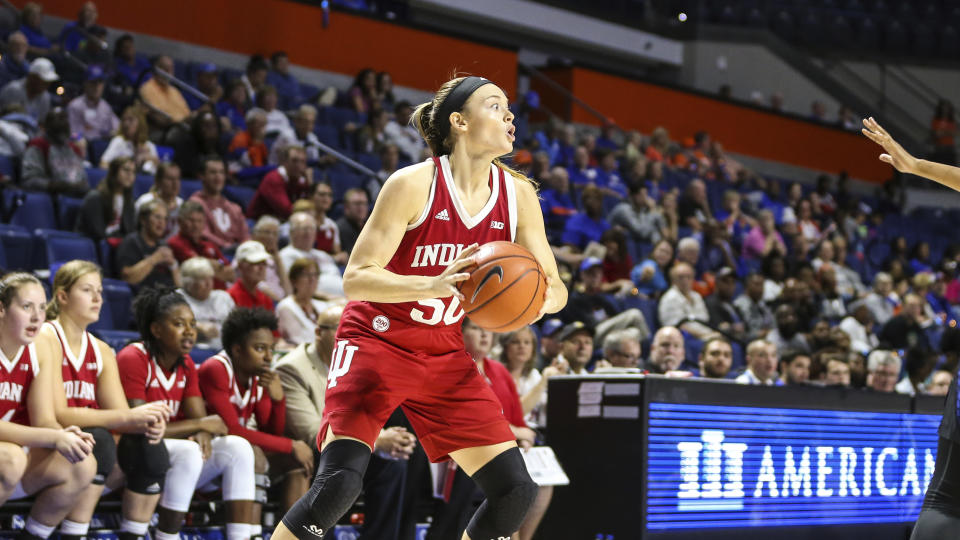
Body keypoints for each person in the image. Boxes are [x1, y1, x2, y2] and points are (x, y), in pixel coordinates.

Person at [272, 75, 566, 540]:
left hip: (443, 351)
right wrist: (431, 282)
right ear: (459, 121)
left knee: (514, 490)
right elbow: (356, 277)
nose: (510, 115)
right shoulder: (412, 183)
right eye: (495, 106)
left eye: (509, 108)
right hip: (376, 338)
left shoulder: (518, 195)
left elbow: (555, 287)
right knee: (339, 485)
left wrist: (533, 301)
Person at [38, 261, 172, 540]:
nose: (98, 298)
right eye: (88, 290)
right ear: (62, 296)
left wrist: (145, 425)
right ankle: (74, 534)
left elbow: (122, 416)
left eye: (99, 291)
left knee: (148, 445)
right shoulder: (45, 337)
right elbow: (58, 414)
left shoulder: (102, 350)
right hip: (49, 441)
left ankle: (133, 535)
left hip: (86, 449)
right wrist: (129, 419)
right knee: (98, 439)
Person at [117, 287, 257, 540]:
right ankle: (167, 536)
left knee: (238, 448)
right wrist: (200, 425)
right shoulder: (133, 357)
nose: (190, 330)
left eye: (192, 323)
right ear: (156, 329)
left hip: (170, 453)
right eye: (179, 324)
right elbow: (140, 426)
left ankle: (242, 537)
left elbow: (204, 421)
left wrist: (202, 427)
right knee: (190, 451)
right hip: (132, 452)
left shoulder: (187, 364)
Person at [274, 305, 413, 540]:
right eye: (342, 328)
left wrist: (392, 439)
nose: (351, 334)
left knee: (394, 463)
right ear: (318, 333)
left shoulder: (360, 362)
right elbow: (309, 430)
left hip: (350, 445)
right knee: (340, 472)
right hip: (311, 453)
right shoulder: (292, 368)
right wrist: (378, 441)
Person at [0, 273, 98, 538]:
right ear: (1, 309)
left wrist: (65, 434)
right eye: (26, 307)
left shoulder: (41, 346)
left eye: (42, 308)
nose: (36, 317)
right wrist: (54, 436)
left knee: (82, 462)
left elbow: (44, 419)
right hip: (8, 458)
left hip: (16, 458)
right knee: (10, 459)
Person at [198, 308, 314, 514]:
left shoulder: (256, 375)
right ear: (237, 350)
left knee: (297, 462)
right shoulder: (216, 369)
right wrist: (291, 444)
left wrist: (278, 399)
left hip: (236, 454)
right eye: (260, 349)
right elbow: (232, 429)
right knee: (254, 453)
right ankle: (251, 533)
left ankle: (290, 536)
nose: (269, 357)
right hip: (204, 456)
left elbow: (271, 432)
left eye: (271, 349)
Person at [166, 200, 235, 287]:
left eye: (199, 221)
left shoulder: (210, 245)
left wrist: (219, 263)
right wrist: (218, 267)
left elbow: (230, 273)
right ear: (180, 221)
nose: (196, 225)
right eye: (191, 220)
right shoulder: (175, 243)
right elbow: (198, 266)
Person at [21, 108, 88, 196]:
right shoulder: (38, 145)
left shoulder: (73, 148)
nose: (61, 123)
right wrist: (53, 186)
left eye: (63, 118)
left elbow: (83, 181)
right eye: (56, 119)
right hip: (51, 196)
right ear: (46, 125)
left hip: (77, 196)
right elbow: (29, 180)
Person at [116, 200, 180, 290]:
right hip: (144, 298)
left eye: (165, 219)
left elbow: (180, 287)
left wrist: (174, 265)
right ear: (143, 220)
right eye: (157, 217)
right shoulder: (131, 242)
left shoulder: (164, 245)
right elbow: (128, 278)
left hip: (168, 297)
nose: (162, 222)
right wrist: (155, 258)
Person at [189, 156, 250, 251]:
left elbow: (245, 236)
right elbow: (203, 233)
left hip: (237, 254)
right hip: (210, 252)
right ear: (202, 176)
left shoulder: (234, 208)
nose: (218, 177)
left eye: (221, 172)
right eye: (213, 172)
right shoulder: (195, 203)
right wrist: (227, 246)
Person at [279, 212, 343, 297]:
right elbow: (294, 288)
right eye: (304, 229)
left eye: (312, 228)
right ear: (292, 232)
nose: (309, 233)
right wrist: (329, 298)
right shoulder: (286, 255)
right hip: (318, 302)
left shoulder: (323, 255)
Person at [76, 157, 137, 244]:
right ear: (114, 172)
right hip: (94, 244)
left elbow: (130, 231)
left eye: (133, 172)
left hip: (116, 245)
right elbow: (96, 231)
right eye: (126, 170)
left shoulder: (129, 202)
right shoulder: (95, 197)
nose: (130, 175)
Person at [179, 257, 235, 350]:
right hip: (193, 351)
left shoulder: (223, 297)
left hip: (223, 350)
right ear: (188, 283)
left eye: (210, 278)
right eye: (202, 279)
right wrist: (197, 326)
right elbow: (171, 324)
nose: (208, 283)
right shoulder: (178, 298)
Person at [248, 145, 312, 220]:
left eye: (303, 161)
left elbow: (311, 207)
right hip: (258, 224)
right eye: (294, 161)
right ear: (283, 162)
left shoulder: (299, 181)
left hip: (279, 222)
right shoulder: (273, 179)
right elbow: (287, 211)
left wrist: (309, 183)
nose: (299, 165)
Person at [276, 258, 330, 345]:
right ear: (294, 280)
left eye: (315, 275)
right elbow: (297, 340)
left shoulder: (323, 305)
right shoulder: (286, 307)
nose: (312, 279)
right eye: (306, 275)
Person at [658, 262, 712, 340]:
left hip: (706, 335)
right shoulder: (670, 298)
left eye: (688, 277)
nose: (685, 280)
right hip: (685, 340)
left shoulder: (697, 296)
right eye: (681, 277)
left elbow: (705, 320)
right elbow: (677, 326)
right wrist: (704, 336)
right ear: (673, 280)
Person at [100, 106, 159, 174]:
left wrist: (150, 158)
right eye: (124, 120)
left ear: (140, 123)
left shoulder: (150, 145)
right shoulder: (119, 141)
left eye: (131, 120)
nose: (126, 124)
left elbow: (158, 173)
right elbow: (103, 163)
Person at [67, 65, 118, 142]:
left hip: (102, 144)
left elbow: (117, 127)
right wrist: (79, 138)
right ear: (85, 84)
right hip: (83, 146)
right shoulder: (75, 106)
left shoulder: (105, 106)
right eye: (93, 82)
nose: (97, 86)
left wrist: (115, 133)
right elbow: (71, 133)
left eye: (100, 82)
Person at [0, 57, 57, 122]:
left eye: (49, 81)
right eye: (44, 80)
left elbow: (41, 124)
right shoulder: (13, 90)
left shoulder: (45, 98)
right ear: (32, 77)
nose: (47, 84)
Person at [134, 163, 183, 238]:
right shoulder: (145, 201)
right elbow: (134, 229)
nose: (175, 183)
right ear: (158, 181)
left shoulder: (182, 205)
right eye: (170, 179)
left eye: (178, 178)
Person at [251, 215, 292, 302]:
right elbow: (258, 284)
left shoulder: (276, 257)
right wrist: (280, 302)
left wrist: (278, 260)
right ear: (255, 234)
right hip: (264, 301)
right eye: (267, 232)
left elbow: (288, 290)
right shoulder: (249, 254)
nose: (271, 237)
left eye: (275, 233)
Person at [138, 55, 190, 124]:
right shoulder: (147, 88)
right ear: (156, 69)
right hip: (166, 129)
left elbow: (187, 114)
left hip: (184, 126)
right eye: (164, 68)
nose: (168, 72)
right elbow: (158, 118)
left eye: (170, 69)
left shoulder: (175, 91)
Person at [229, 240, 275, 311]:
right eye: (255, 263)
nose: (261, 267)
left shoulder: (265, 299)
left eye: (263, 263)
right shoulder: (230, 297)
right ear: (241, 266)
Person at [336, 188, 369, 255]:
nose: (361, 207)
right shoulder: (340, 228)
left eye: (364, 203)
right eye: (357, 204)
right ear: (346, 207)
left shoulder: (368, 227)